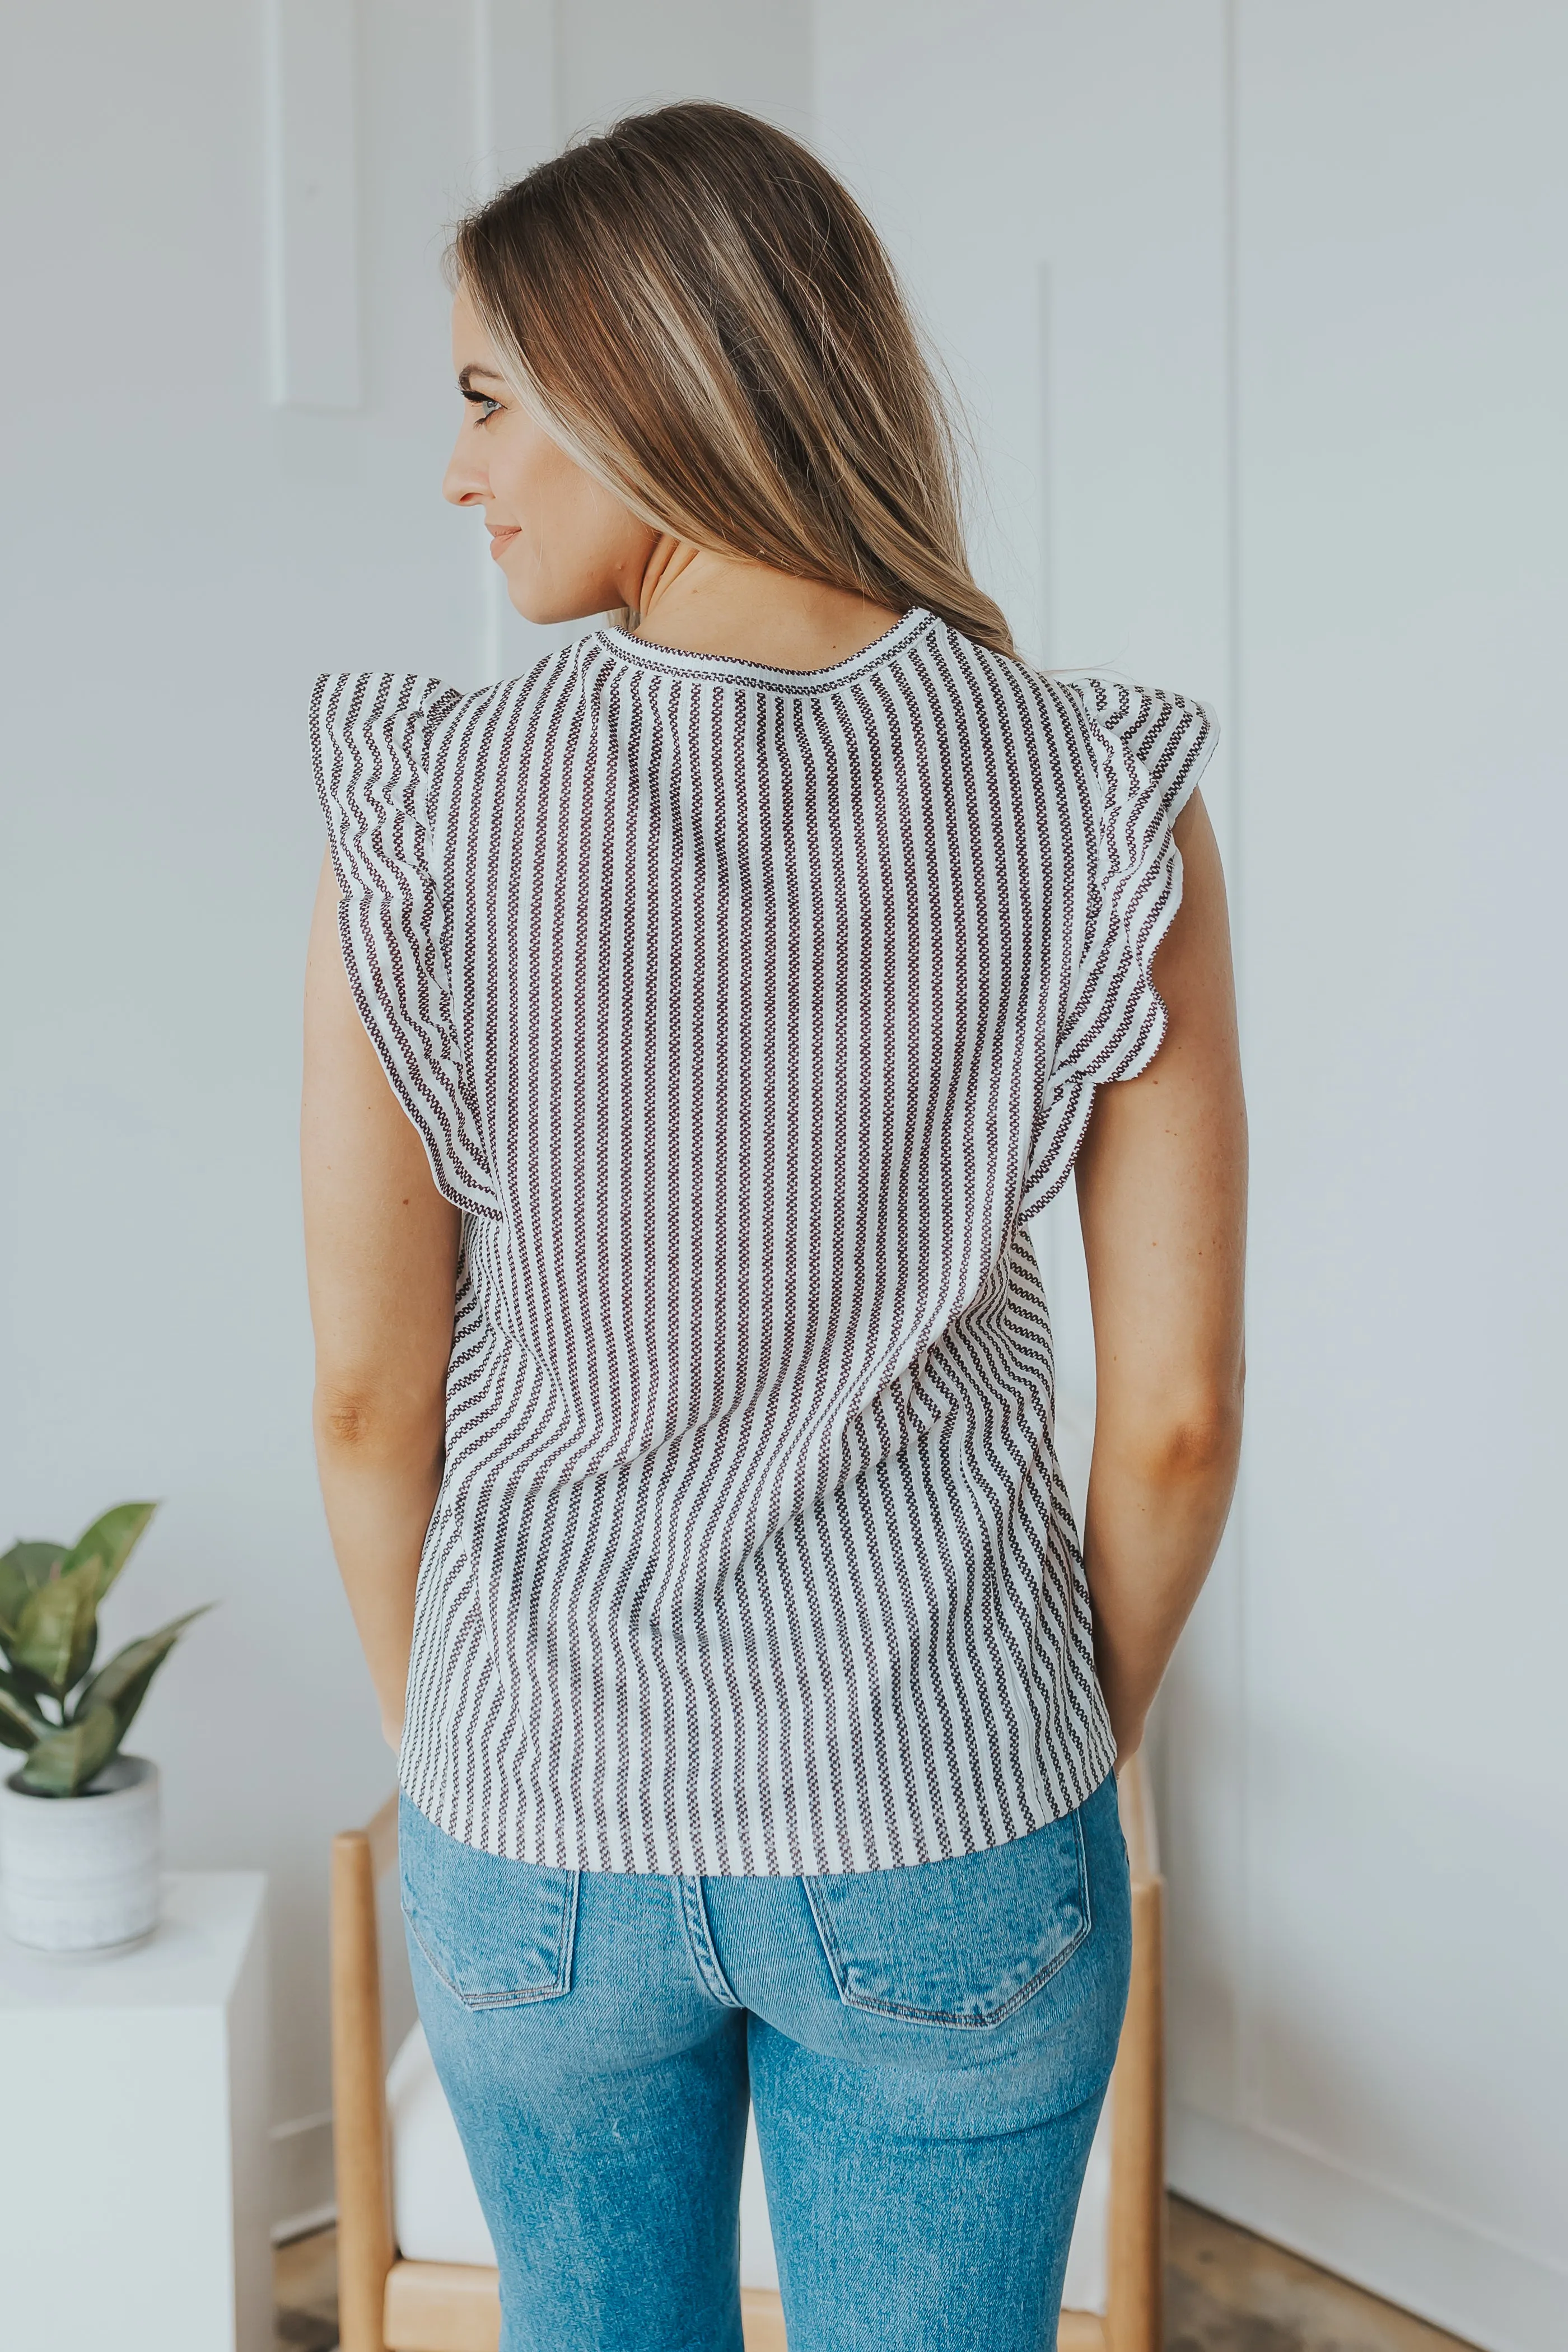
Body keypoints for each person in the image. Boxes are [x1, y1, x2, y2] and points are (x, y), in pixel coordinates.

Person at [301, 99, 1246, 2352]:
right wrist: (1027, 1748)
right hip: (946, 1810)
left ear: (646, 381)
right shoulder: (1098, 793)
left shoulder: (424, 805)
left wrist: (476, 1764)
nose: (461, 473)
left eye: (484, 397)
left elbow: (363, 1399)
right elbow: (1178, 1422)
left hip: (538, 1813)